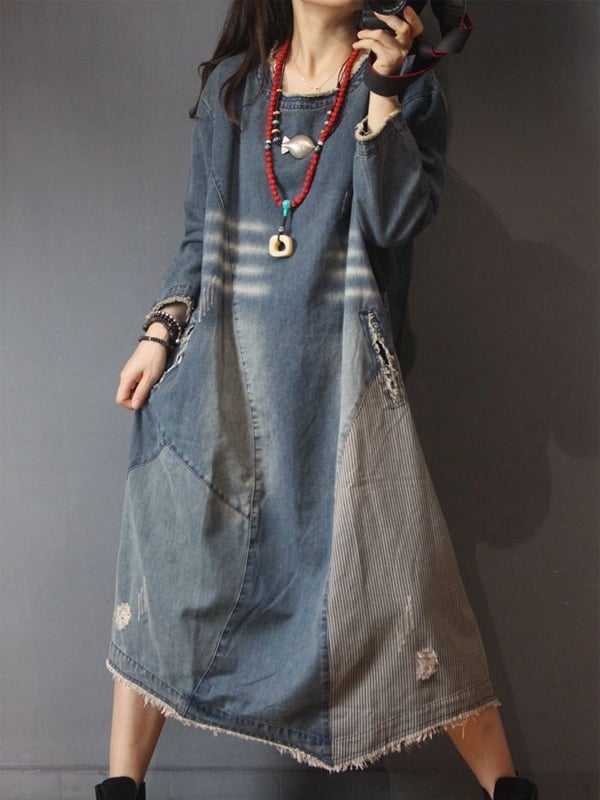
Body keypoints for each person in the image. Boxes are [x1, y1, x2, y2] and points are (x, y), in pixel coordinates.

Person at [96, 2, 538, 799]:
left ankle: (510, 790)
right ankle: (120, 788)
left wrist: (387, 88)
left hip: (342, 391)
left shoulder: (403, 86)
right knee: (171, 574)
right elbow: (200, 236)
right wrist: (160, 334)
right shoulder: (235, 88)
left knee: (405, 596)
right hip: (222, 380)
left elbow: (396, 218)